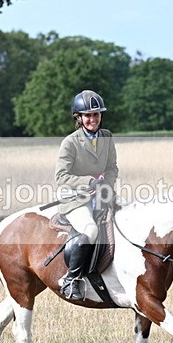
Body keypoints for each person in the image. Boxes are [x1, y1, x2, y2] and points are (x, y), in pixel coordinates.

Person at [54, 89, 118, 301]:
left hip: (102, 195)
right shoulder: (70, 142)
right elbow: (61, 175)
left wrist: (106, 185)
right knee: (90, 229)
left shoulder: (107, 136)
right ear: (79, 118)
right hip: (75, 199)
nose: (93, 119)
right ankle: (71, 279)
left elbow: (112, 168)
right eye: (88, 115)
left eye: (96, 114)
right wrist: (89, 182)